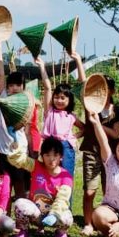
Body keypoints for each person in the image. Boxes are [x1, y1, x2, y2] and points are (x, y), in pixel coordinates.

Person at [0, 39, 40, 200]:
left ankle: (21, 218)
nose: (14, 88)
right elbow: (0, 74)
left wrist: (32, 152)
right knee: (4, 184)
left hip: (19, 150)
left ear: (23, 87)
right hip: (1, 149)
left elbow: (28, 130)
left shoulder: (26, 102)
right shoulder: (2, 97)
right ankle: (3, 216)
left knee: (20, 183)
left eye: (17, 85)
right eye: (11, 85)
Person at [79, 76, 119, 236]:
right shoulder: (89, 106)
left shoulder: (116, 111)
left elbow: (116, 134)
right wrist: (77, 59)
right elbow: (83, 82)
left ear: (111, 91)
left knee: (108, 190)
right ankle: (88, 223)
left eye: (105, 88)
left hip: (109, 156)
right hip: (91, 152)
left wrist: (97, 124)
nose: (102, 92)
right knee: (89, 191)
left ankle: (107, 221)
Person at [12, 137, 74, 237]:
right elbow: (19, 160)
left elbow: (63, 199)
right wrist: (16, 148)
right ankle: (24, 231)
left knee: (68, 217)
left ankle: (60, 233)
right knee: (19, 203)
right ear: (42, 156)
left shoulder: (66, 176)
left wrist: (54, 215)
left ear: (61, 157)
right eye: (48, 155)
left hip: (54, 215)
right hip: (36, 214)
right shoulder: (36, 166)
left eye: (55, 155)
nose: (51, 159)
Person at [37, 52, 87, 182]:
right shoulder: (50, 111)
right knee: (48, 177)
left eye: (63, 98)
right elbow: (48, 88)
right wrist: (42, 66)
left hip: (65, 147)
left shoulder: (71, 116)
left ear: (69, 100)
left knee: (65, 178)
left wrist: (73, 136)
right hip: (49, 146)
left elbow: (84, 128)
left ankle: (66, 202)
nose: (59, 100)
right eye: (56, 97)